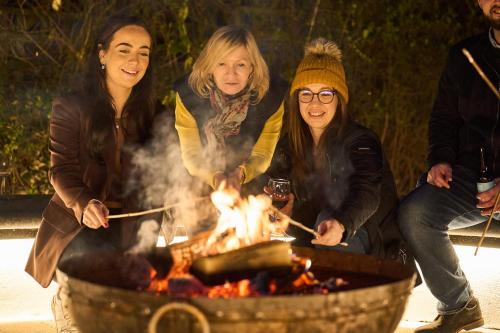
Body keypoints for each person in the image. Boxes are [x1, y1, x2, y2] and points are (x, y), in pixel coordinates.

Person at [25, 15, 162, 332]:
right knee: (87, 308)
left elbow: (164, 171)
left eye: (144, 52)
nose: (135, 60)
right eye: (124, 49)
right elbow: (61, 169)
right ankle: (69, 304)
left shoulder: (156, 112)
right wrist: (85, 203)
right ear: (102, 54)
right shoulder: (71, 106)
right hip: (79, 223)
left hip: (135, 225)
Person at [397, 1, 500, 332]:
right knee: (415, 214)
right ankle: (459, 307)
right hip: (472, 177)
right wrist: (439, 159)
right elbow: (444, 118)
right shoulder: (465, 55)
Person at [268, 38, 408, 262]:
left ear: (339, 99)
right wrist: (278, 211)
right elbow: (275, 187)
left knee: (327, 217)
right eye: (306, 93)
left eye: (325, 94)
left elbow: (367, 193)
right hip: (316, 242)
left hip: (370, 245)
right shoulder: (290, 145)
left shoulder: (360, 140)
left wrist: (342, 224)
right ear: (297, 100)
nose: (315, 103)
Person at [174, 26, 287, 194]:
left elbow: (262, 155)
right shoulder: (189, 94)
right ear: (210, 67)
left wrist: (239, 175)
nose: (231, 74)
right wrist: (216, 177)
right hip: (198, 185)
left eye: (240, 65)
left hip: (252, 187)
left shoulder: (271, 98)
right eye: (221, 64)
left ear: (252, 68)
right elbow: (192, 155)